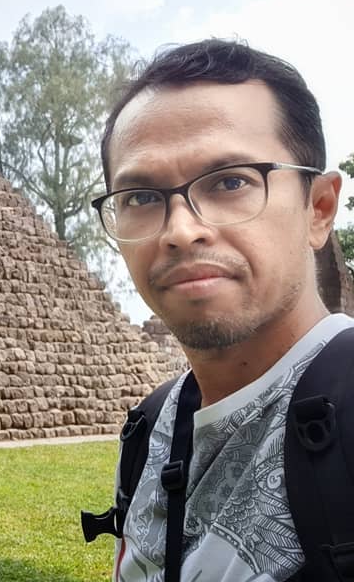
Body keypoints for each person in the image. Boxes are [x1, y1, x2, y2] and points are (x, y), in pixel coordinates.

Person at [93, 39, 352, 581]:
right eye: (140, 197)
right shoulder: (150, 430)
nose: (181, 230)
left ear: (319, 208)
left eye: (232, 181)